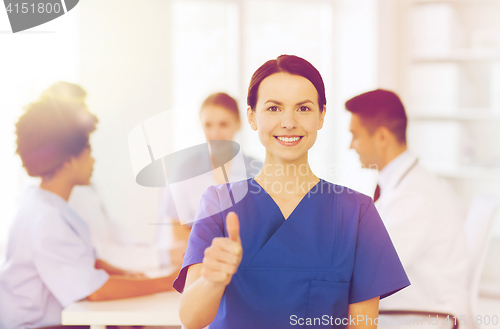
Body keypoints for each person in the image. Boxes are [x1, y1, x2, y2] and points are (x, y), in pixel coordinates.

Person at [173, 55, 410, 329]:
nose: (288, 122)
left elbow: (363, 326)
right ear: (251, 117)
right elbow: (190, 319)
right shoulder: (218, 203)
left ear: (321, 116)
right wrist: (211, 281)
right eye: (273, 108)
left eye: (304, 109)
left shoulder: (357, 213)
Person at [0, 96, 177, 329]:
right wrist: (166, 282)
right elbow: (95, 291)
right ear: (68, 161)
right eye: (88, 150)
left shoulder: (46, 204)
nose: (93, 159)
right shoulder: (46, 218)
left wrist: (132, 276)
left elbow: (89, 262)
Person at [345, 89, 468, 319]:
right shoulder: (403, 185)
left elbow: (370, 269)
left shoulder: (414, 196)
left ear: (382, 137)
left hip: (423, 316)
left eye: (355, 135)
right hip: (407, 309)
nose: (351, 146)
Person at [41, 81, 175, 271]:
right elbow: (95, 252)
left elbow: (109, 231)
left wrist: (145, 248)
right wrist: (163, 256)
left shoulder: (82, 175)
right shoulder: (60, 185)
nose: (87, 116)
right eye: (79, 109)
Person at [159, 92, 262, 264]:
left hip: (246, 262)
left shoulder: (258, 171)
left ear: (238, 124)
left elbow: (262, 230)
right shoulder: (184, 170)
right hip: (195, 262)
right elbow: (177, 231)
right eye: (208, 124)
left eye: (223, 124)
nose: (215, 133)